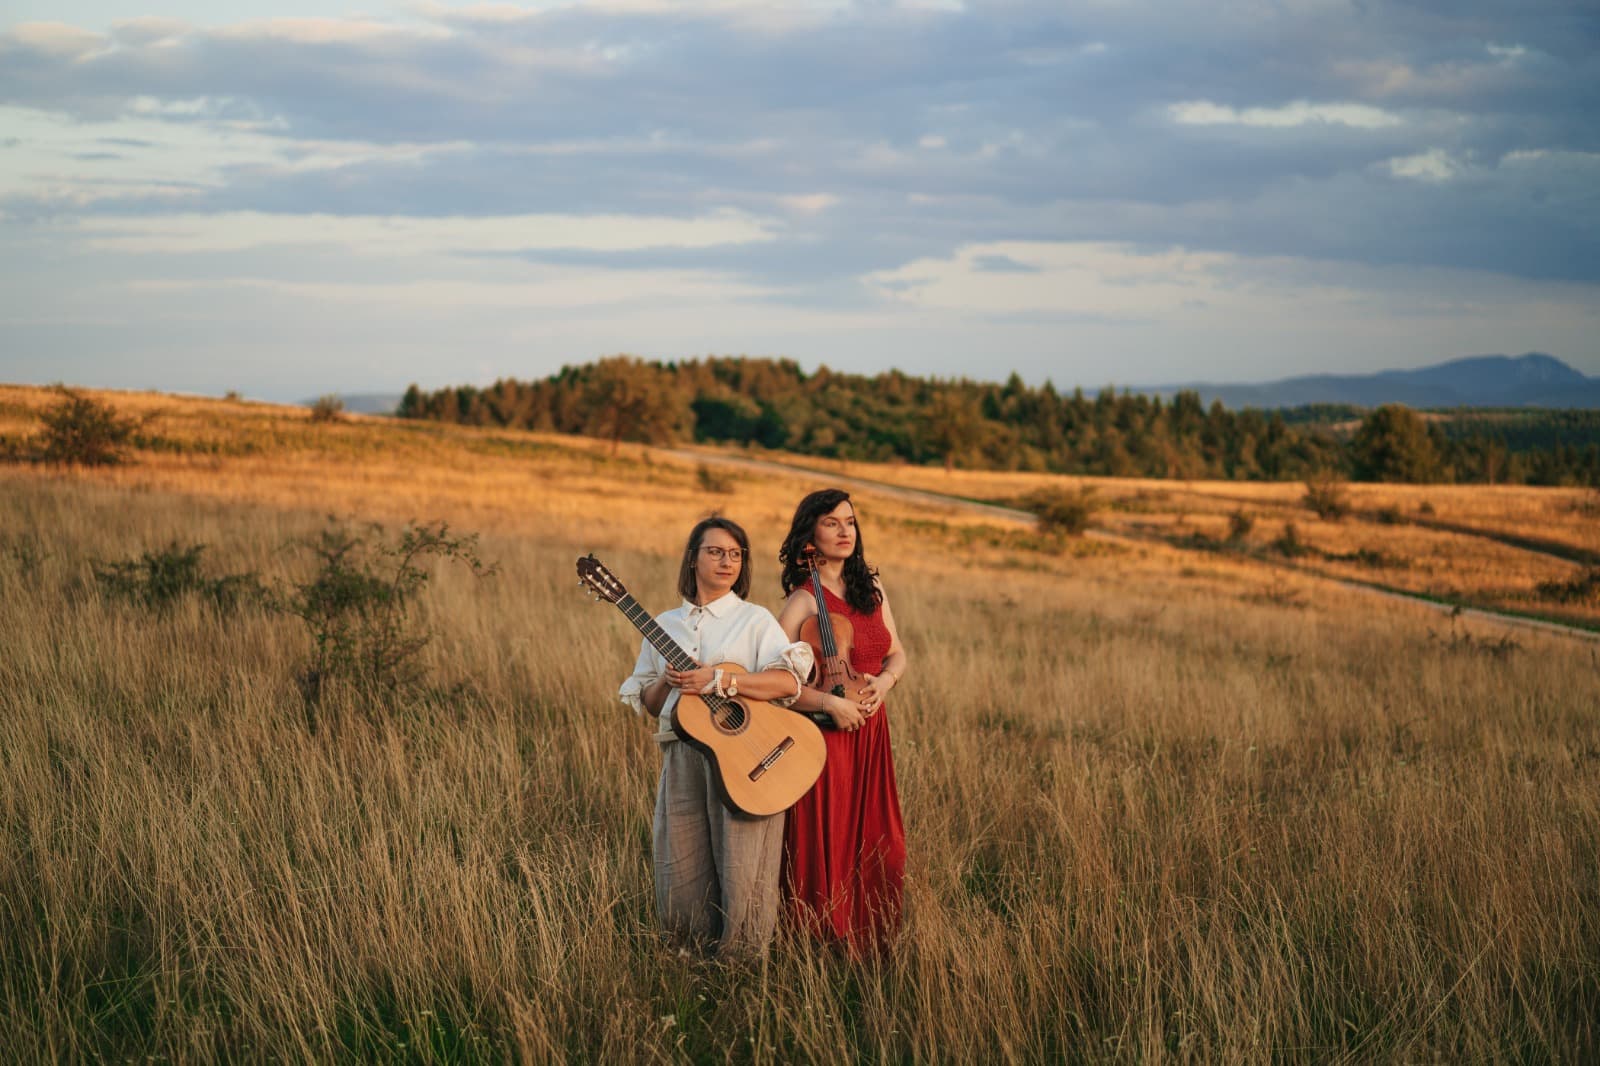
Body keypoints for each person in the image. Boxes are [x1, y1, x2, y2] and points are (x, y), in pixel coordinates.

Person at [618, 516, 815, 956]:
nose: (727, 561)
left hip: (748, 759)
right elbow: (650, 704)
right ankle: (687, 956)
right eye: (715, 551)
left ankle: (742, 960)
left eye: (735, 554)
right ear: (692, 558)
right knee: (681, 860)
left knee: (743, 866)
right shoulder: (664, 625)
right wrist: (669, 681)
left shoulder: (754, 620)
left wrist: (720, 680)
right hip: (684, 753)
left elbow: (786, 683)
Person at [776, 488, 908, 953]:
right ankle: (818, 941)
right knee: (828, 838)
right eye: (831, 522)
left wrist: (886, 683)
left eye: (849, 521)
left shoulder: (872, 588)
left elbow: (897, 652)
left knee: (879, 838)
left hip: (873, 729)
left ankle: (872, 935)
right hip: (826, 735)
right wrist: (831, 704)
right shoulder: (802, 602)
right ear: (809, 532)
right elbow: (777, 686)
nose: (844, 530)